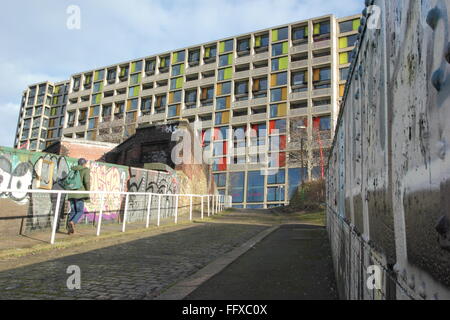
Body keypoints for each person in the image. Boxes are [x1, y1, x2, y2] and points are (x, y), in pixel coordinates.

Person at [67, 158, 90, 235]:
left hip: (71, 193)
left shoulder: (73, 169)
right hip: (79, 194)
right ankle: (72, 222)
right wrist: (88, 191)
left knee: (73, 211)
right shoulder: (85, 170)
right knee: (80, 211)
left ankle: (70, 230)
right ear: (84, 163)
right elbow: (86, 181)